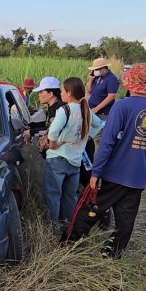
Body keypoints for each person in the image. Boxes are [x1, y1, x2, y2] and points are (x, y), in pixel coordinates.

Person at [85, 63, 146, 258]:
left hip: (114, 174)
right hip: (137, 176)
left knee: (91, 207)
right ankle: (112, 253)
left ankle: (70, 241)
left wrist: (96, 172)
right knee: (126, 218)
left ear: (130, 82)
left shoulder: (121, 105)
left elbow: (107, 143)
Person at [43, 77, 103, 225]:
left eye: (63, 90)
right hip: (75, 160)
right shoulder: (85, 109)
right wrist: (85, 138)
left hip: (57, 159)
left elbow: (53, 131)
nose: (61, 93)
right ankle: (68, 225)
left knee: (53, 195)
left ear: (69, 92)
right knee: (70, 196)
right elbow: (99, 125)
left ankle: (52, 227)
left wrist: (52, 144)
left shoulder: (65, 110)